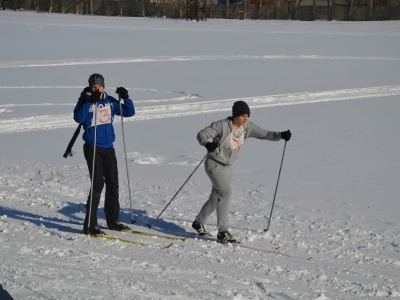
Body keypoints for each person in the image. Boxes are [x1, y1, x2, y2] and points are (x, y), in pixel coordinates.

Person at [192, 100, 291, 244]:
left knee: (217, 195)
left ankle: (198, 222)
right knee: (226, 192)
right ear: (236, 115)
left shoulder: (247, 127)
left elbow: (265, 134)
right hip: (214, 164)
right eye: (243, 115)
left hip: (228, 167)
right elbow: (202, 134)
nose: (246, 118)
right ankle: (223, 232)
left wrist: (280, 135)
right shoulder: (221, 125)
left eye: (247, 115)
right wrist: (208, 143)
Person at [73, 73, 135, 235]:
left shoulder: (109, 101)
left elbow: (129, 112)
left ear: (103, 86)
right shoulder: (84, 100)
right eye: (94, 86)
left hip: (109, 147)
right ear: (89, 86)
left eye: (99, 86)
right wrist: (88, 102)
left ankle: (113, 221)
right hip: (93, 147)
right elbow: (78, 118)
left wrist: (125, 98)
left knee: (113, 183)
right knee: (98, 184)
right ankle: (90, 225)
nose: (97, 88)